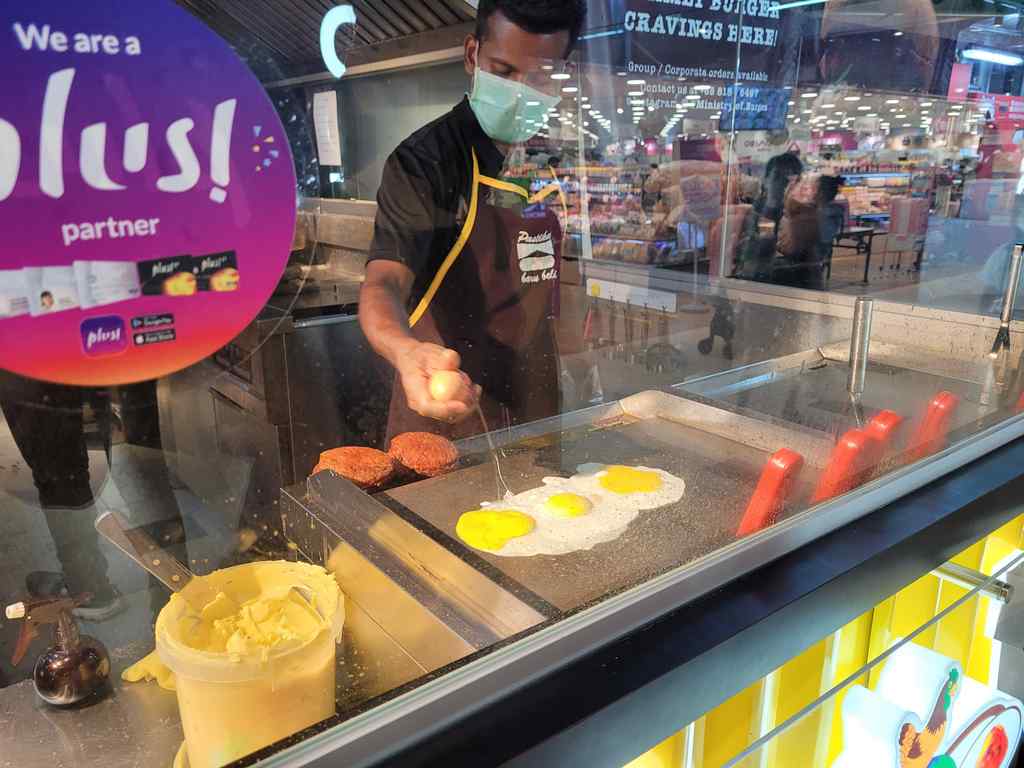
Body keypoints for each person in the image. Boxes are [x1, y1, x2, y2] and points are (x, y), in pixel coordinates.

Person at [359, 0, 586, 441]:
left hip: (536, 408)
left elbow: (563, 278)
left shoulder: (554, 160)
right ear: (472, 56)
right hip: (444, 416)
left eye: (538, 78)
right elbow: (382, 283)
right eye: (503, 72)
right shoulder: (425, 162)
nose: (521, 90)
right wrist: (406, 352)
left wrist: (581, 362)